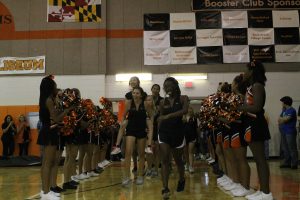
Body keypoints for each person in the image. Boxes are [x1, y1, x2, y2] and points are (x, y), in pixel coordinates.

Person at [238, 61, 273, 200]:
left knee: (260, 159)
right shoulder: (250, 87)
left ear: (252, 71)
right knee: (258, 160)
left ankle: (266, 193)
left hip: (257, 124)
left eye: (246, 70)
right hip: (250, 123)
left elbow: (257, 107)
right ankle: (262, 190)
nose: (244, 73)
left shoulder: (257, 86)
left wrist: (239, 108)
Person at [37, 75, 73, 200]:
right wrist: (68, 110)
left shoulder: (47, 99)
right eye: (55, 86)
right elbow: (57, 119)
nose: (56, 88)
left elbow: (54, 115)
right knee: (47, 163)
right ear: (50, 87)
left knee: (47, 163)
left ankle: (45, 191)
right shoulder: (49, 100)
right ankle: (45, 193)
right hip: (49, 132)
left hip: (48, 131)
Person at [157, 77, 189, 199]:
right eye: (165, 86)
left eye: (170, 85)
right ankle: (165, 188)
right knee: (164, 159)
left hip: (178, 133)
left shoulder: (183, 98)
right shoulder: (162, 102)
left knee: (178, 160)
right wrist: (155, 137)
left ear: (175, 86)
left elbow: (185, 110)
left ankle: (182, 178)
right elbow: (161, 118)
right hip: (164, 132)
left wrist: (168, 116)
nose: (167, 87)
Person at [122, 86, 153, 186]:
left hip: (141, 129)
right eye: (134, 93)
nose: (135, 95)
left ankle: (140, 175)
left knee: (141, 154)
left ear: (141, 94)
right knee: (128, 152)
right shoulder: (128, 103)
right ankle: (126, 177)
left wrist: (149, 124)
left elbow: (151, 114)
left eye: (137, 93)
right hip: (131, 129)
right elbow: (123, 115)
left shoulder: (145, 104)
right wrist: (123, 124)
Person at [278, 96, 298, 169]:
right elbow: (279, 119)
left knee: (292, 147)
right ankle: (287, 162)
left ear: (285, 102)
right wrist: (282, 119)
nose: (281, 103)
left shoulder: (292, 110)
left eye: (282, 102)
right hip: (284, 131)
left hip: (290, 132)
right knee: (285, 147)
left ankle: (294, 163)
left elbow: (285, 120)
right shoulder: (284, 111)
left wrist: (282, 119)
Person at [183, 106, 198, 173]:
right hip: (184, 136)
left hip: (192, 136)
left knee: (190, 152)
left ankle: (191, 166)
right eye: (188, 109)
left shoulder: (194, 118)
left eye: (190, 109)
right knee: (185, 152)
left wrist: (197, 137)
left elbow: (196, 128)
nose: (189, 110)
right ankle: (187, 163)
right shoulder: (182, 118)